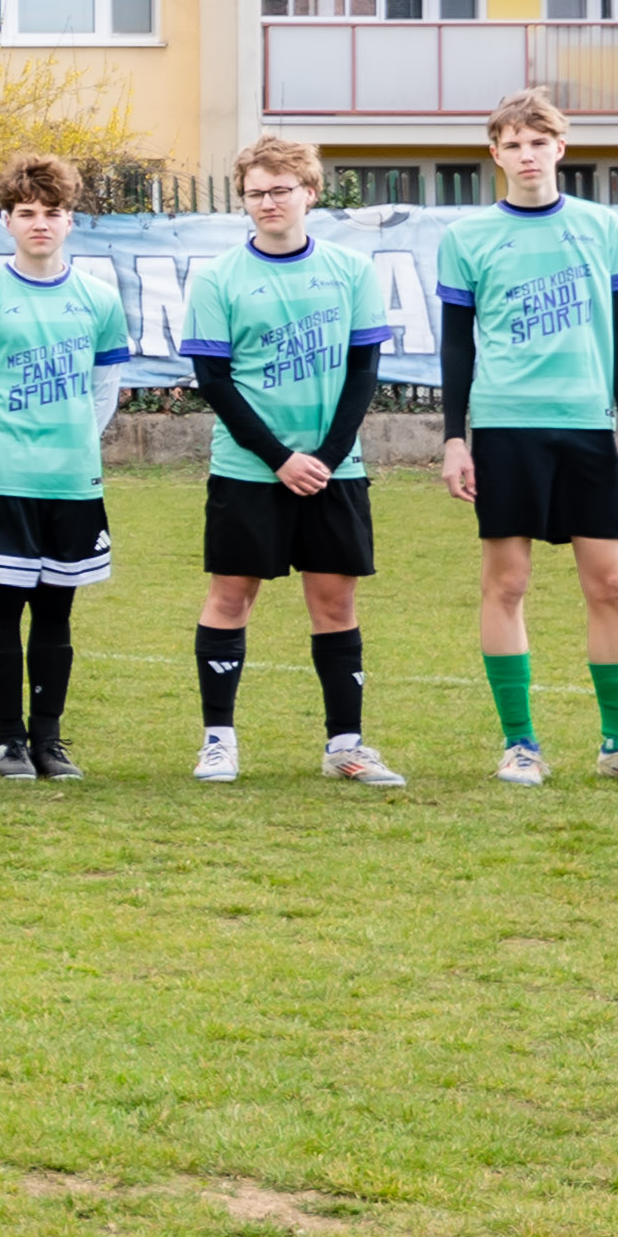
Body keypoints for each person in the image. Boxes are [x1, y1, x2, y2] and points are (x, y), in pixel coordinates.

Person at [435, 87, 618, 790]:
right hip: (506, 425)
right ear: (495, 154)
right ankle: (520, 745)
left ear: (560, 149)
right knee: (507, 583)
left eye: (537, 142)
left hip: (586, 427)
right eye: (512, 144)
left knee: (610, 585)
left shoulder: (601, 228)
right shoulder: (467, 239)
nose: (526, 155)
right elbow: (457, 349)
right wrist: (456, 439)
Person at [183, 136, 402, 788]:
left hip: (334, 469)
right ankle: (218, 740)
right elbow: (214, 382)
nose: (268, 202)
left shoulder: (351, 271)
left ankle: (346, 746)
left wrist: (327, 458)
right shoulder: (219, 278)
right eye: (256, 192)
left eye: (281, 190)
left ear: (310, 192)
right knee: (231, 595)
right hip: (250, 469)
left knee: (334, 603)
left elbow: (365, 371)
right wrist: (280, 459)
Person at [0, 155, 139, 781]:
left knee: (57, 611)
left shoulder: (98, 301)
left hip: (72, 480)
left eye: (52, 213)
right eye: (27, 213)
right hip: (1, 481)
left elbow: (105, 389)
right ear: (5, 221)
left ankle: (49, 741)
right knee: (4, 604)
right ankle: (8, 741)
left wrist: (74, 444)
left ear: (71, 221)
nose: (39, 223)